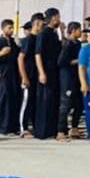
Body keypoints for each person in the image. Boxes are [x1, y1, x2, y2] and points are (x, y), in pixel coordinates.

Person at [0, 17, 22, 137]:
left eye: (12, 28)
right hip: (3, 75)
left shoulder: (13, 42)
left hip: (14, 75)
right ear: (3, 29)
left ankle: (14, 127)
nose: (11, 30)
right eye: (9, 28)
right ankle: (4, 127)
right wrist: (1, 53)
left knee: (15, 100)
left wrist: (19, 45)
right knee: (5, 100)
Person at [35, 8, 63, 138]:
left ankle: (52, 130)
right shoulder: (43, 34)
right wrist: (41, 72)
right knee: (45, 101)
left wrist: (62, 32)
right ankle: (42, 131)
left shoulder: (54, 34)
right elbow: (38, 54)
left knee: (53, 101)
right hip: (46, 71)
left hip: (54, 72)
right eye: (58, 17)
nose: (59, 20)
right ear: (53, 18)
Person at [57, 22, 83, 141]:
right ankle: (61, 131)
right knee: (65, 105)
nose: (81, 32)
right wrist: (78, 61)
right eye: (79, 30)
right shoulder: (67, 45)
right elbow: (61, 62)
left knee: (78, 104)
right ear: (73, 31)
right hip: (67, 78)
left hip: (77, 78)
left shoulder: (78, 44)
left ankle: (74, 128)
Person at [19, 16, 41, 137]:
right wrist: (24, 77)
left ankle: (34, 126)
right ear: (36, 24)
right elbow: (20, 58)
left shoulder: (39, 39)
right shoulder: (29, 40)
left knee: (34, 102)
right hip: (28, 75)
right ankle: (23, 128)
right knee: (26, 102)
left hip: (36, 75)